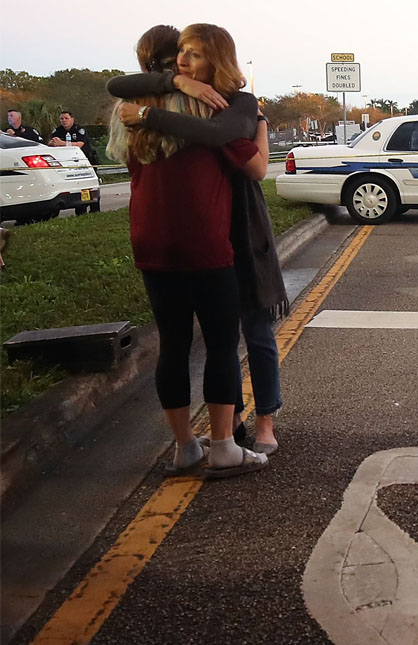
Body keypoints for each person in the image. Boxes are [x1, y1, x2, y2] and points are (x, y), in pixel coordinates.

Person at [110, 28, 287, 456]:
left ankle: (211, 438)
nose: (186, 63)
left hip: (187, 238)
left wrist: (153, 112)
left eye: (195, 56)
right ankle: (228, 437)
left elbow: (254, 165)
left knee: (196, 341)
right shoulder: (207, 104)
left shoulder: (139, 110)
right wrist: (179, 86)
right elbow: (246, 160)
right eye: (182, 56)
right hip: (208, 241)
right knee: (222, 344)